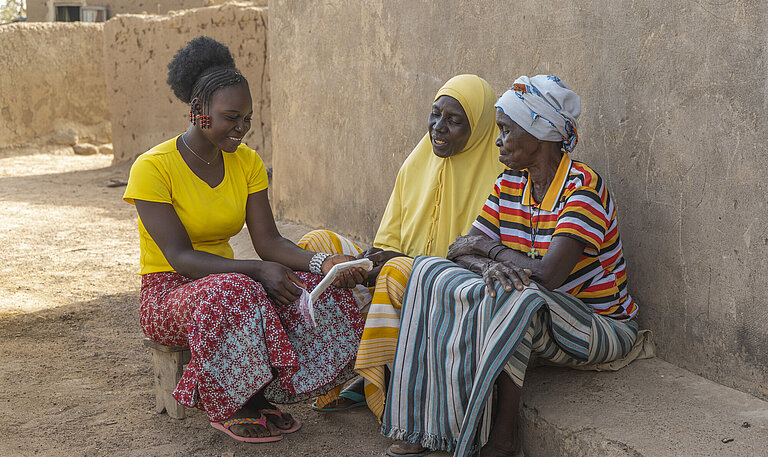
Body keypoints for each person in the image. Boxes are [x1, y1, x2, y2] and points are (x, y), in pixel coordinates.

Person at [123, 36, 367, 444]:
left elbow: (270, 241)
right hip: (168, 295)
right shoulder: (152, 168)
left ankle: (263, 393)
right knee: (240, 289)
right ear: (199, 113)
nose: (241, 128)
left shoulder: (247, 162)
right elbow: (180, 257)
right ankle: (231, 403)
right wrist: (255, 270)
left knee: (308, 289)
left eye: (248, 119)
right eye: (230, 117)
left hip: (226, 284)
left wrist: (320, 263)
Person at [382, 75, 641, 457]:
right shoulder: (509, 183)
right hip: (542, 316)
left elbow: (548, 275)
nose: (498, 140)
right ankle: (429, 425)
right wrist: (487, 260)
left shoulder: (584, 189)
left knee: (514, 296)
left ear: (538, 135)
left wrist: (492, 252)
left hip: (598, 324)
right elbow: (459, 249)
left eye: (506, 130)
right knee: (428, 272)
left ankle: (503, 441)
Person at [299, 74, 505, 423]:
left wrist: (401, 262)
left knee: (396, 272)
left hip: (451, 291)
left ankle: (388, 393)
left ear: (481, 127)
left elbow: (477, 262)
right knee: (318, 245)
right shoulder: (417, 162)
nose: (438, 128)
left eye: (455, 121)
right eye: (435, 114)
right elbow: (388, 242)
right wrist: (369, 259)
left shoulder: (500, 179)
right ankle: (325, 374)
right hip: (400, 274)